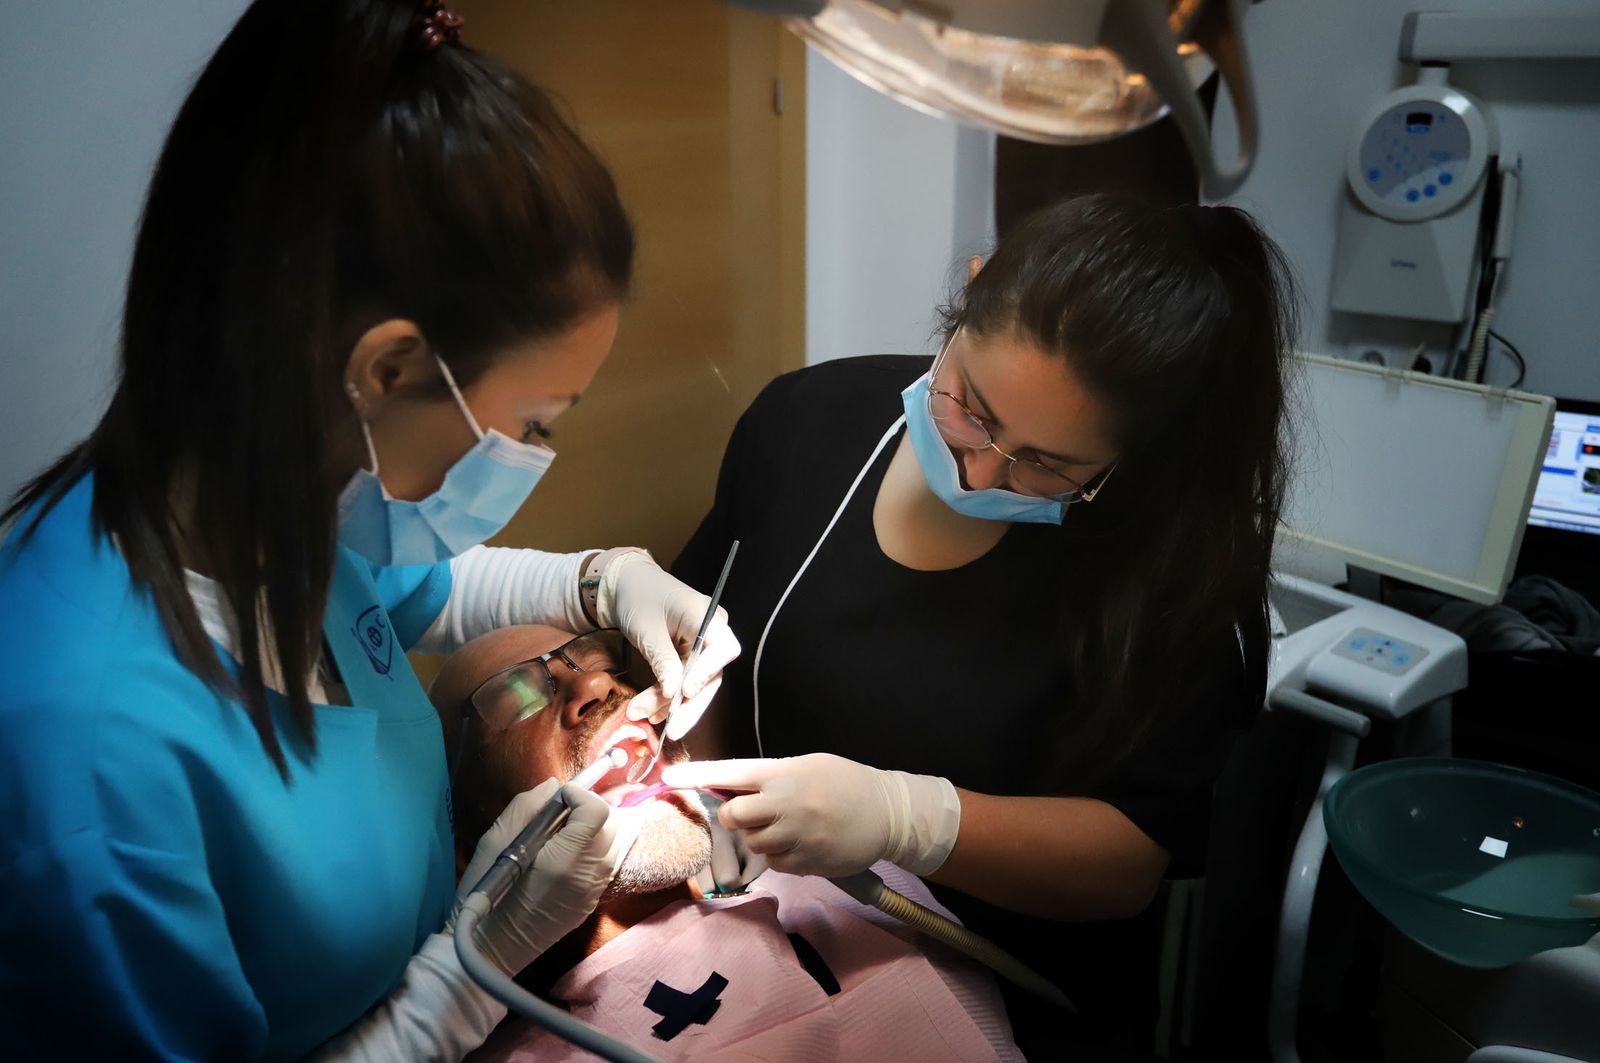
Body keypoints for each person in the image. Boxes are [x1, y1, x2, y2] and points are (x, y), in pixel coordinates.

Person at [0, 2, 736, 1058]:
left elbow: (419, 590)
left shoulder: (290, 504)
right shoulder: (88, 765)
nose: (530, 457)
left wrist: (599, 581)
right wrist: (482, 955)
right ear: (383, 372)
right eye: (528, 425)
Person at [669, 193, 1297, 1054]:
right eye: (971, 407)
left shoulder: (1180, 577)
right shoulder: (805, 422)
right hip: (770, 947)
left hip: (1011, 1000)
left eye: (1046, 464)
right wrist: (700, 799)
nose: (978, 470)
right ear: (968, 297)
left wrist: (911, 818)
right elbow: (704, 635)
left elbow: (1132, 859)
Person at [428, 623, 1025, 1063]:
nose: (597, 684)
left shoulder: (843, 885)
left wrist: (906, 819)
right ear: (467, 846)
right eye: (516, 694)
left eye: (597, 658)